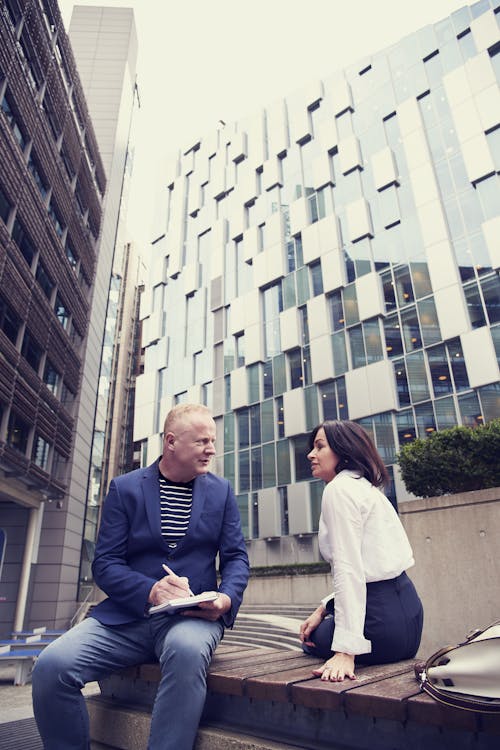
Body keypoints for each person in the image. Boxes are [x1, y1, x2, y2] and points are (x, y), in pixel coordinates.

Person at [32, 403, 250, 750]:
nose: (211, 449)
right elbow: (104, 564)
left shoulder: (221, 492)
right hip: (126, 619)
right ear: (171, 442)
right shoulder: (125, 489)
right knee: (51, 666)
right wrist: (151, 591)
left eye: (213, 440)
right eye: (201, 441)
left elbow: (237, 557)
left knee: (185, 651)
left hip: (192, 618)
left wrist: (225, 600)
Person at [299, 419, 423, 683]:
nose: (311, 454)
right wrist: (324, 607)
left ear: (343, 451)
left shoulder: (338, 490)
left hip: (378, 626)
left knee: (310, 639)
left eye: (319, 447)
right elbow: (371, 566)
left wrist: (346, 650)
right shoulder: (367, 488)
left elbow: (349, 568)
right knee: (319, 626)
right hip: (410, 623)